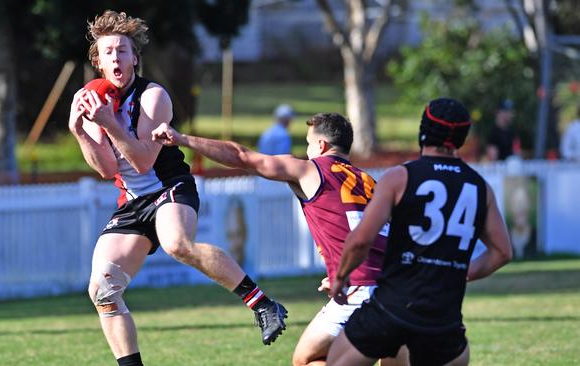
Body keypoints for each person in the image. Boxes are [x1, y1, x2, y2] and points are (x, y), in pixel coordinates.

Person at [69, 10, 287, 366]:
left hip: (169, 186)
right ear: (99, 63)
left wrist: (109, 123)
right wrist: (81, 131)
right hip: (133, 200)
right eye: (107, 52)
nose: (115, 57)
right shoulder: (91, 100)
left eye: (122, 50)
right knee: (102, 289)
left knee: (176, 244)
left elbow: (141, 161)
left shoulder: (154, 97)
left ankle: (263, 304)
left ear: (135, 58)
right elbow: (108, 168)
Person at [152, 113, 407, 366]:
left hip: (360, 287)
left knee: (306, 359)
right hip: (397, 287)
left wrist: (183, 139)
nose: (306, 151)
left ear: (321, 145)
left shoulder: (311, 170)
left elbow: (243, 157)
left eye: (308, 143)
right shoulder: (368, 182)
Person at [325, 98, 513, 366]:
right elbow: (502, 252)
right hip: (443, 320)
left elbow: (360, 240)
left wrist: (341, 276)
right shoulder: (480, 188)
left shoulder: (400, 177)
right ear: (461, 136)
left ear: (423, 130)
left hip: (391, 309)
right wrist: (460, 272)